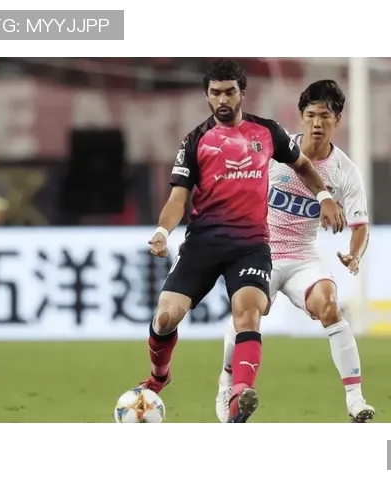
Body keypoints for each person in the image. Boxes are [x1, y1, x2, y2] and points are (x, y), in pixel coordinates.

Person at [138, 60, 345, 423]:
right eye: (216, 92)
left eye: (229, 92)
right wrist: (162, 232)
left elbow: (302, 165)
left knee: (248, 313)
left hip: (251, 245)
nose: (223, 99)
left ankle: (240, 395)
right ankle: (159, 376)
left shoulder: (267, 132)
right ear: (207, 95)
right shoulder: (195, 141)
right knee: (166, 317)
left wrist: (325, 196)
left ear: (242, 93)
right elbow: (177, 198)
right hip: (203, 244)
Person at [215, 80, 375, 423]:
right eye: (311, 115)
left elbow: (361, 225)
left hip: (303, 255)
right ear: (301, 117)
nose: (317, 123)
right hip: (261, 251)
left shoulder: (345, 171)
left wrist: (354, 254)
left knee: (330, 306)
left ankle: (355, 399)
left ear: (337, 120)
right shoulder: (275, 150)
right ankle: (227, 385)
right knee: (247, 312)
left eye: (325, 116)